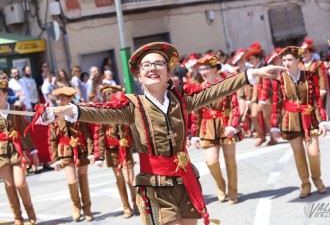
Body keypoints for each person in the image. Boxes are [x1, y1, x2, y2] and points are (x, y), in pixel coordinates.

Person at [39, 42, 285, 225]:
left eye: (158, 64)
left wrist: (252, 74)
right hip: (155, 187)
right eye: (146, 65)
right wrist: (66, 110)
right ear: (139, 76)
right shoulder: (131, 105)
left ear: (169, 72)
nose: (152, 68)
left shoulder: (182, 99)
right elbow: (99, 111)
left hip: (185, 180)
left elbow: (216, 89)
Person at [270, 46, 327, 198]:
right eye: (284, 60)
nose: (286, 63)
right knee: (298, 154)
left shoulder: (309, 76)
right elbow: (277, 103)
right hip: (291, 120)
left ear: (298, 60)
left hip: (310, 118)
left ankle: (317, 178)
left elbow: (316, 100)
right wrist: (275, 125)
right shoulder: (280, 79)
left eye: (289, 59)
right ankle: (305, 184)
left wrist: (322, 121)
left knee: (314, 152)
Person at [190, 55, 243, 204]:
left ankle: (233, 192)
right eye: (200, 69)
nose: (203, 71)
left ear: (215, 69)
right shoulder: (199, 88)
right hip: (208, 127)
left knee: (230, 162)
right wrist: (194, 134)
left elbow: (234, 106)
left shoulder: (225, 84)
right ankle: (220, 185)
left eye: (206, 68)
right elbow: (196, 112)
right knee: (211, 161)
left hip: (226, 124)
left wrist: (233, 125)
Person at [48, 87, 95, 222]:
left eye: (63, 98)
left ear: (69, 99)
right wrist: (54, 159)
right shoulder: (54, 116)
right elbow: (52, 139)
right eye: (58, 99)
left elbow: (87, 133)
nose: (60, 101)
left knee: (82, 180)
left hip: (81, 149)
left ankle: (87, 209)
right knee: (72, 181)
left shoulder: (77, 113)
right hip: (65, 151)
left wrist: (91, 152)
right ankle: (76, 207)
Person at [94, 84, 139, 218]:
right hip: (112, 151)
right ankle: (126, 206)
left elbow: (134, 129)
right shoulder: (103, 112)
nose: (110, 99)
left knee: (130, 179)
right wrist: (99, 155)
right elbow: (100, 135)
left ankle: (136, 202)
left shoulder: (125, 110)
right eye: (107, 96)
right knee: (119, 179)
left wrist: (139, 146)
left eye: (112, 95)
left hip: (126, 149)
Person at [0, 77, 40, 225]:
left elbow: (25, 132)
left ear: (5, 94)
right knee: (9, 185)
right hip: (1, 153)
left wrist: (33, 151)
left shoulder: (16, 110)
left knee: (20, 183)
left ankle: (31, 212)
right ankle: (18, 217)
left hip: (17, 150)